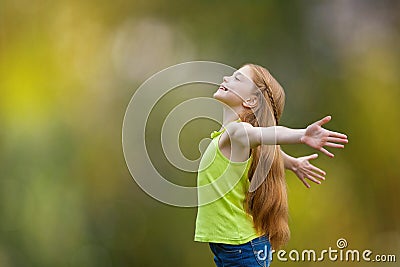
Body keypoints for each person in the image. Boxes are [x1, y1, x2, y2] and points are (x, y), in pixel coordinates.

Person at [194, 63, 348, 267]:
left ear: (251, 100)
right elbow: (266, 147)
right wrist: (293, 163)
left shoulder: (238, 133)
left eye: (237, 78)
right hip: (236, 247)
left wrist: (302, 135)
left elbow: (268, 134)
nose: (226, 78)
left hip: (241, 249)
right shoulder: (233, 138)